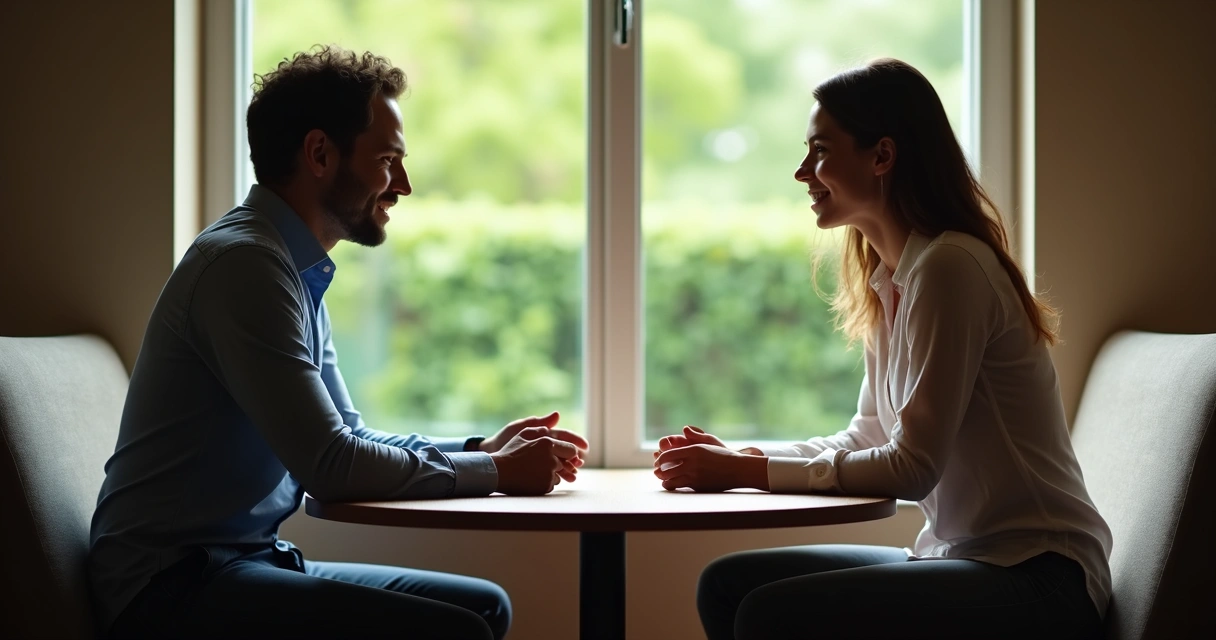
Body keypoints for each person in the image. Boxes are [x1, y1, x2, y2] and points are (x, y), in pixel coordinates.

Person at [88, 45, 587, 640]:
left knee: (484, 608)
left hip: (241, 560)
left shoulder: (291, 268)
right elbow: (332, 466)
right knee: (457, 630)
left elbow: (346, 437)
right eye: (387, 159)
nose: (403, 183)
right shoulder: (246, 266)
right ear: (320, 153)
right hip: (170, 586)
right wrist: (496, 472)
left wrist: (481, 446)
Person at [652, 58, 1111, 640]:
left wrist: (748, 471)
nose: (801, 172)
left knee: (768, 614)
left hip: (1040, 576)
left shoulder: (951, 268)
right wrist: (741, 457)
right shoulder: (891, 279)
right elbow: (868, 436)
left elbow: (912, 468)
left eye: (820, 150)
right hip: (957, 557)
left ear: (882, 156)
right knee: (726, 584)